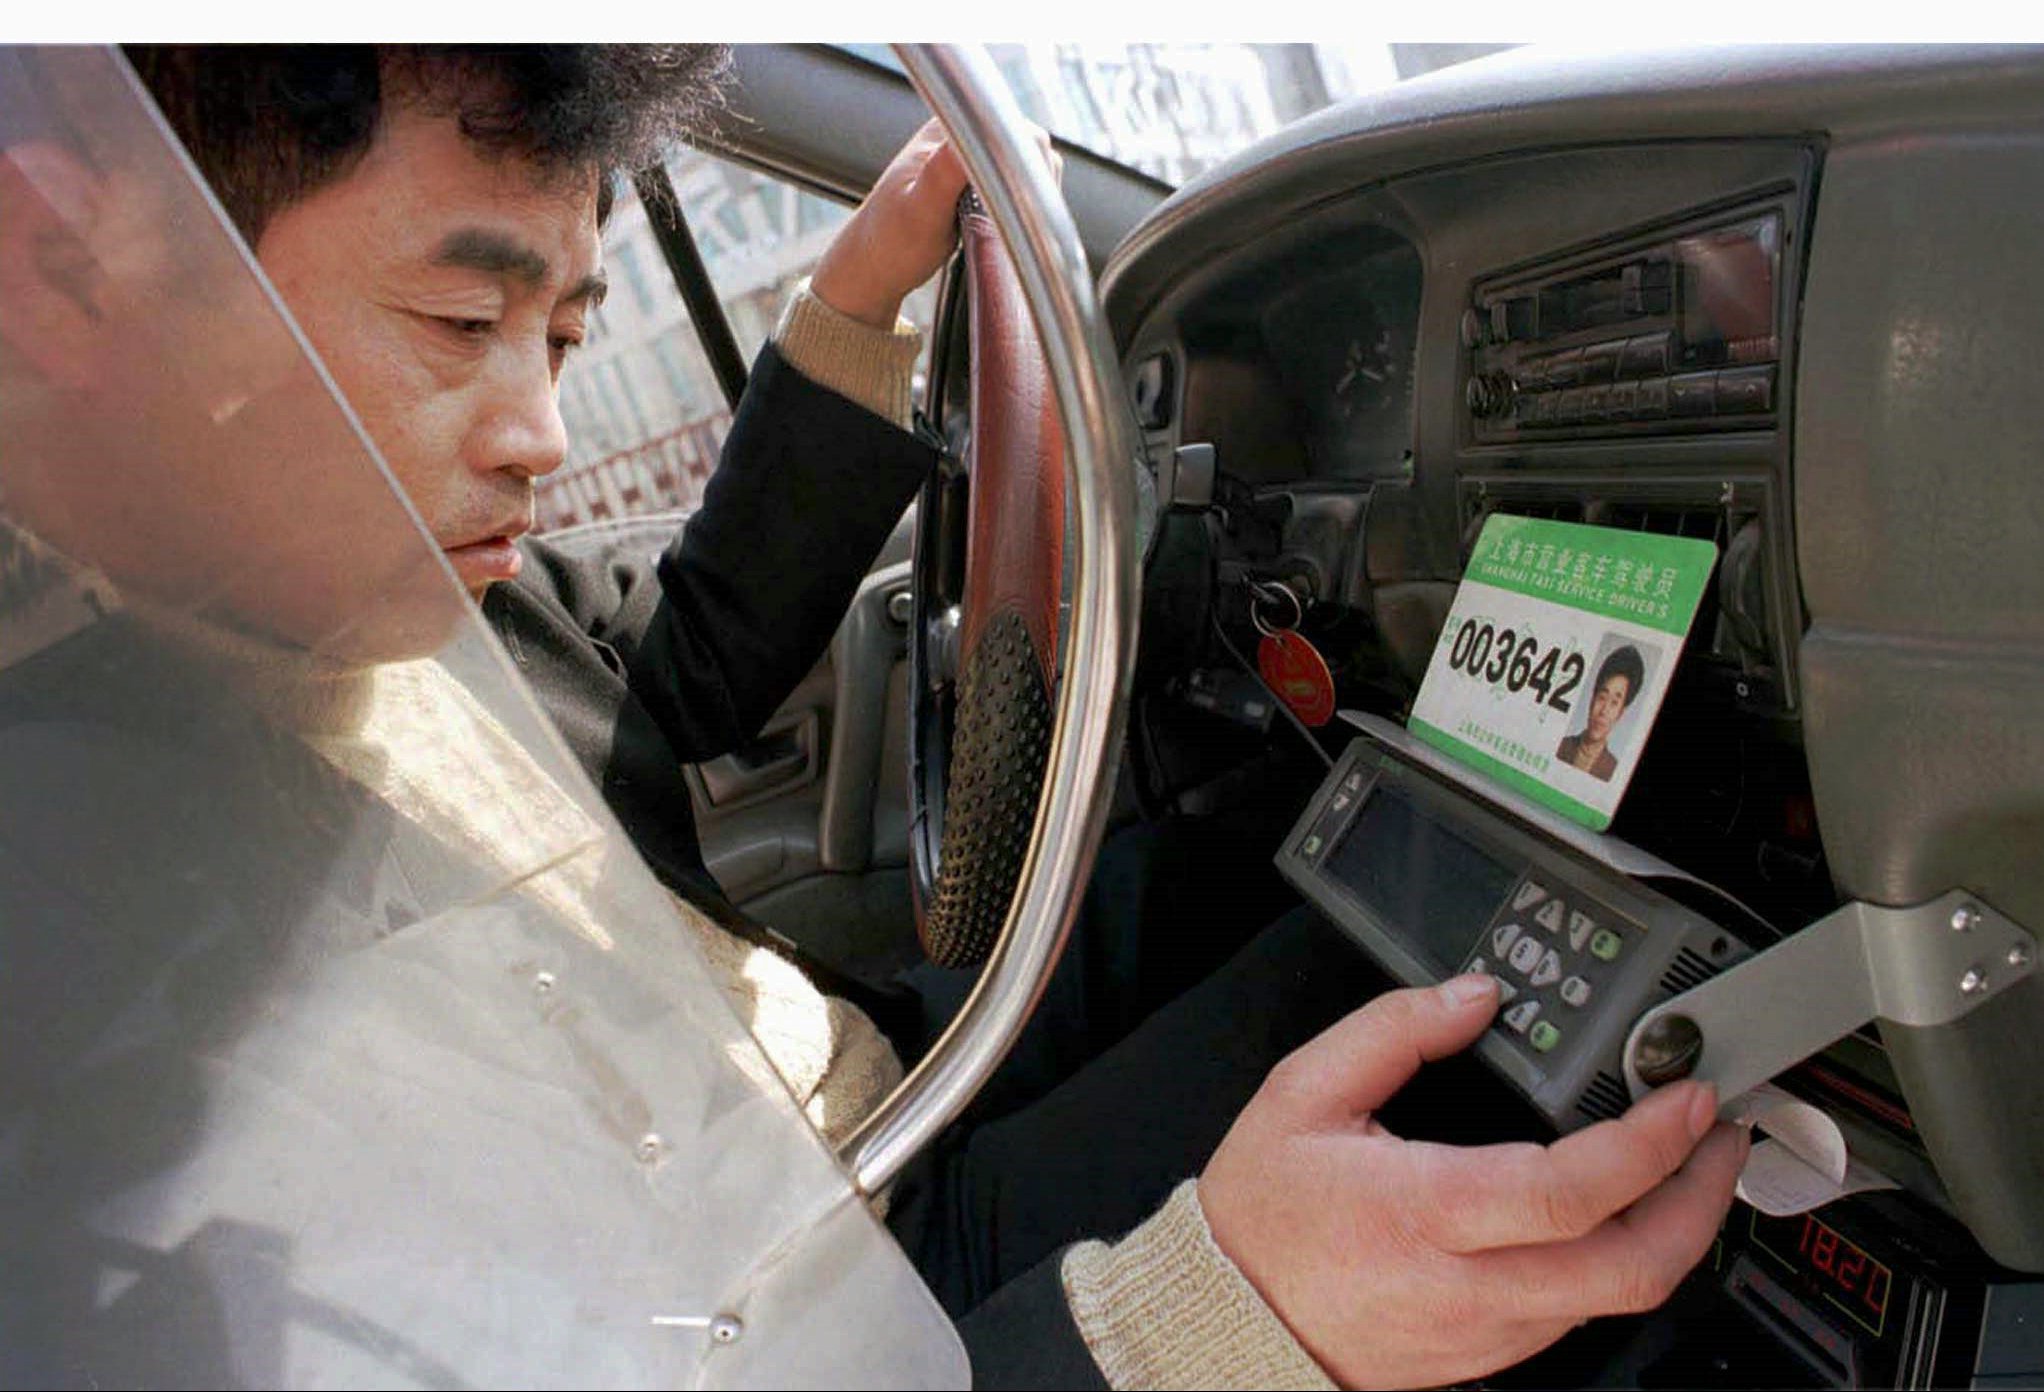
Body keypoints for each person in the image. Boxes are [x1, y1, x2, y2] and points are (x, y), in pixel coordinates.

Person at [0, 45, 1747, 1390]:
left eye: (565, 329)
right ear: (64, 256)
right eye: (461, 320)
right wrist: (1203, 1319)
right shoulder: (89, 1010)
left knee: (1307, 905)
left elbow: (667, 676)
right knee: (1538, 1121)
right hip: (856, 1292)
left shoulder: (359, 576)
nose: (536, 428)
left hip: (873, 1116)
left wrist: (857, 301)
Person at [1556, 644, 1647, 782]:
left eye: (1614, 703)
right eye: (1602, 697)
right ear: (1592, 699)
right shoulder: (1562, 745)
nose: (1604, 711)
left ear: (1620, 713)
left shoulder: (1613, 771)